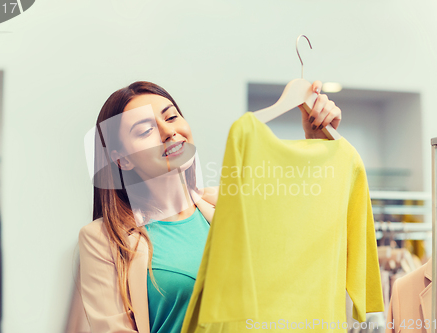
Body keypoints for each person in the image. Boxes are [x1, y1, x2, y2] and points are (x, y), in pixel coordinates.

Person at [78, 80, 342, 333]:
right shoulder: (102, 239)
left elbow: (308, 233)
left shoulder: (230, 204)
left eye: (171, 118)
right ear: (122, 160)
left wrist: (318, 142)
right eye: (146, 130)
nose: (168, 131)